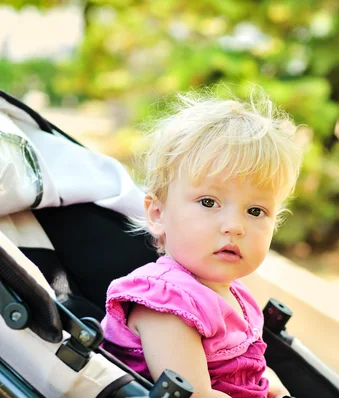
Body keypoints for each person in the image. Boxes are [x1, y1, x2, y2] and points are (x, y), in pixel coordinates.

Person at [100, 86, 303, 398]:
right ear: (157, 213)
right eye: (209, 202)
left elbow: (252, 371)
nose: (235, 226)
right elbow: (195, 394)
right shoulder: (167, 303)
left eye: (255, 210)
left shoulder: (235, 295)